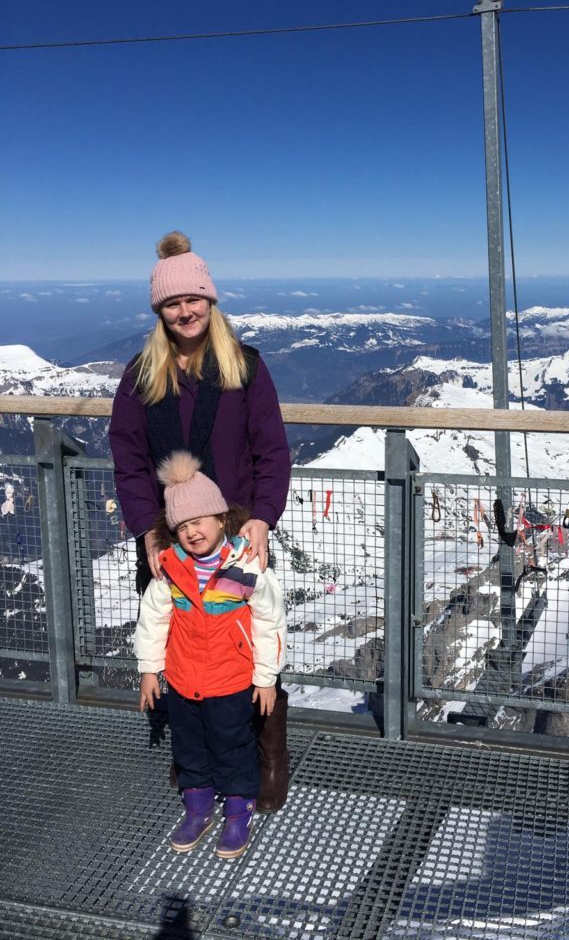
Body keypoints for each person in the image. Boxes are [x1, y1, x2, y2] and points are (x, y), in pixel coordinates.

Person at [109, 231, 292, 812]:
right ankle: (195, 759)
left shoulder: (245, 368)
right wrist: (147, 530)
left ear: (211, 301)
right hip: (170, 536)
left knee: (249, 632)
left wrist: (263, 518)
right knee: (177, 640)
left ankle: (265, 755)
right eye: (172, 302)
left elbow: (272, 450)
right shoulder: (142, 376)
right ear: (159, 310)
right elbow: (128, 459)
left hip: (239, 533)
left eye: (194, 299)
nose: (185, 311)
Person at [135, 451, 286, 858]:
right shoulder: (170, 569)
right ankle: (197, 805)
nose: (192, 532)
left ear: (221, 519)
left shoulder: (246, 565)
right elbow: (153, 619)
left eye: (199, 521)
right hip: (183, 679)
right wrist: (151, 670)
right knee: (189, 745)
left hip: (231, 678)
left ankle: (239, 809)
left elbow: (269, 622)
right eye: (182, 526)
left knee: (232, 743)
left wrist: (266, 677)